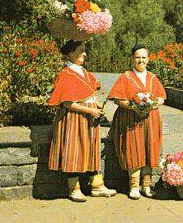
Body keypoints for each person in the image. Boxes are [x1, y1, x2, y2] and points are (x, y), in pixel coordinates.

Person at [48, 40, 117, 202]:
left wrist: (97, 104)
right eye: (81, 51)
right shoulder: (66, 74)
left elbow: (89, 93)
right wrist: (90, 110)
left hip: (89, 119)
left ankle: (97, 185)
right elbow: (67, 103)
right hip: (74, 118)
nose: (85, 54)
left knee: (91, 149)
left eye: (84, 51)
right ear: (71, 53)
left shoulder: (83, 72)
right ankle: (74, 189)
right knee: (74, 151)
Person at [108, 44, 166, 199]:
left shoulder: (152, 77)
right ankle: (134, 186)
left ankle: (146, 186)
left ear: (148, 59)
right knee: (133, 149)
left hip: (150, 119)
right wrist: (133, 107)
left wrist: (153, 104)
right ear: (132, 58)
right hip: (130, 118)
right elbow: (118, 99)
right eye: (137, 57)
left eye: (144, 57)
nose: (141, 61)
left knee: (149, 149)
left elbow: (161, 97)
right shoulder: (125, 76)